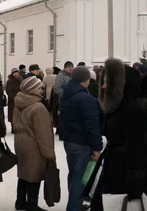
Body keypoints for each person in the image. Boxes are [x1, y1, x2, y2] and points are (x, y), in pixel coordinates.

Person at [89, 58, 147, 211]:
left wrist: (136, 178)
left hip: (126, 173)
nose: (103, 86)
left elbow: (139, 146)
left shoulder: (133, 110)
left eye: (108, 82)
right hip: (113, 168)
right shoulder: (117, 107)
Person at [59, 66, 103, 211]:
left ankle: (75, 204)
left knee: (74, 174)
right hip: (82, 143)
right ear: (86, 80)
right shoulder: (86, 99)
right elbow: (92, 126)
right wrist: (97, 147)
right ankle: (74, 207)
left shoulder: (66, 95)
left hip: (70, 141)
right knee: (81, 178)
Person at [13, 76, 56, 211]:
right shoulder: (38, 108)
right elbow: (43, 134)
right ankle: (32, 205)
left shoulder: (19, 103)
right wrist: (49, 154)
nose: (41, 90)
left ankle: (20, 202)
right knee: (34, 174)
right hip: (33, 146)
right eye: (38, 87)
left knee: (23, 173)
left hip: (20, 143)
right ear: (31, 89)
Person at [6, 68, 23, 133]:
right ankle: (13, 128)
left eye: (17, 73)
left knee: (19, 114)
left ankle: (19, 127)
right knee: (13, 114)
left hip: (20, 99)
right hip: (13, 101)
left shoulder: (21, 80)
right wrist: (13, 98)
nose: (16, 74)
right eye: (14, 73)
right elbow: (8, 91)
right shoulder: (10, 81)